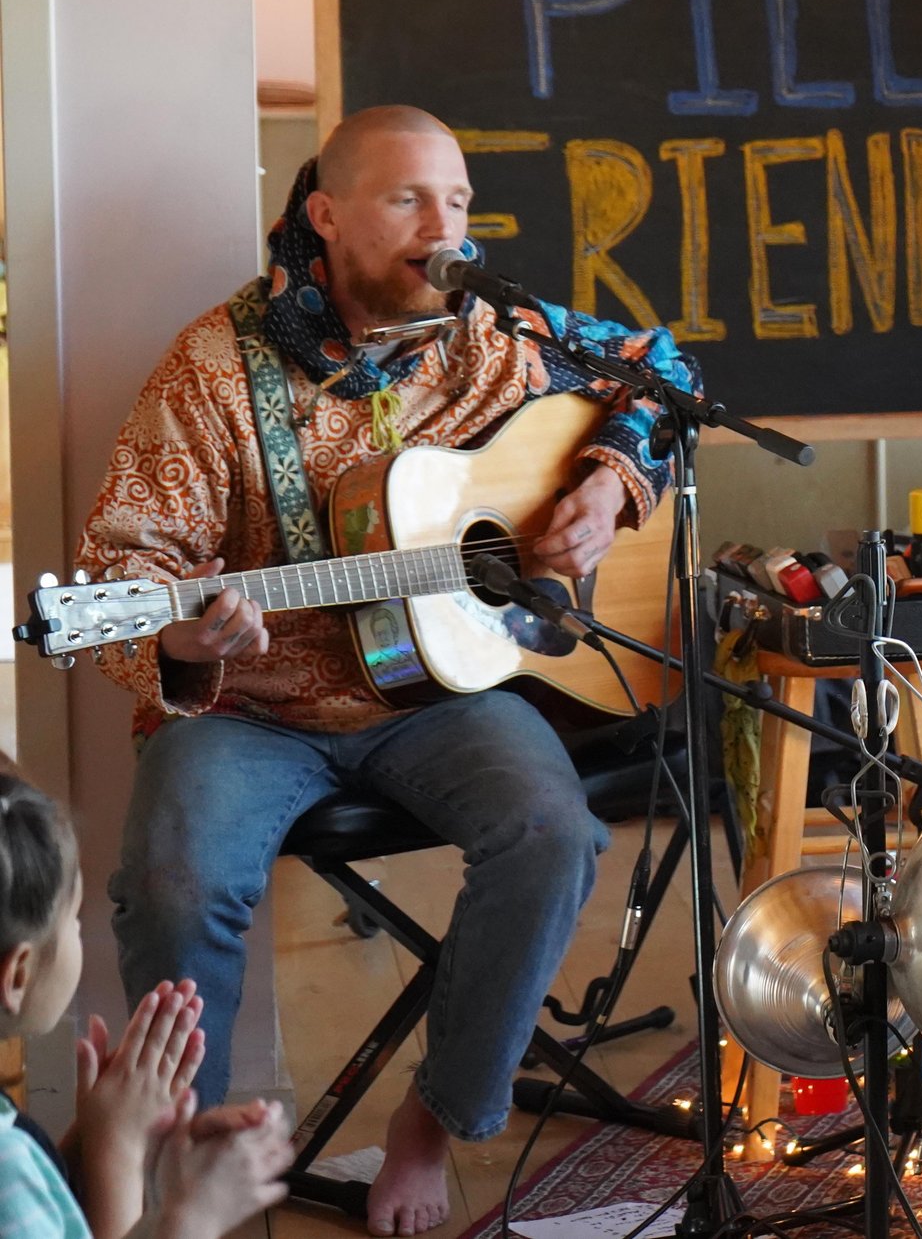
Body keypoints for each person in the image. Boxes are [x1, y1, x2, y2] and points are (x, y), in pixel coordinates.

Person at [77, 105, 700, 1236]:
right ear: (326, 214)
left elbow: (662, 369)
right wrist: (181, 639)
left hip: (438, 693)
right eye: (410, 199)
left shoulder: (495, 333)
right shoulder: (215, 365)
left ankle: (435, 1117)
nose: (443, 228)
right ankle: (181, 1162)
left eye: (457, 201)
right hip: (250, 706)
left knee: (551, 833)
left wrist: (608, 485)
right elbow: (124, 561)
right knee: (174, 880)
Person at [0, 771, 293, 1239]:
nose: (79, 930)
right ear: (18, 974)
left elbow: (48, 1210)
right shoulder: (8, 1172)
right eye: (73, 920)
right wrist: (188, 1213)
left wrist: (97, 1134)